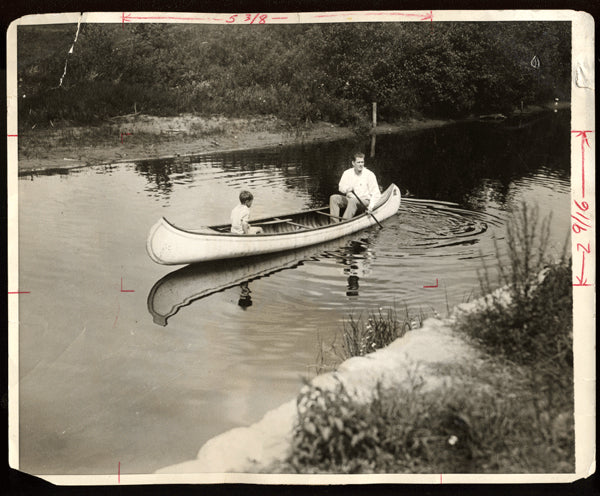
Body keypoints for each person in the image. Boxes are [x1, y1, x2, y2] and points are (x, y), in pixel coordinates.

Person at [329, 152, 380, 222]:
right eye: (358, 162)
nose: (361, 164)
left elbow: (376, 194)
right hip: (350, 200)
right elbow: (340, 187)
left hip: (364, 202)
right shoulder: (347, 173)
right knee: (333, 198)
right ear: (353, 163)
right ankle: (334, 223)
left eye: (362, 162)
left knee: (353, 201)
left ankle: (344, 223)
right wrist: (347, 189)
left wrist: (370, 207)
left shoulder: (370, 175)